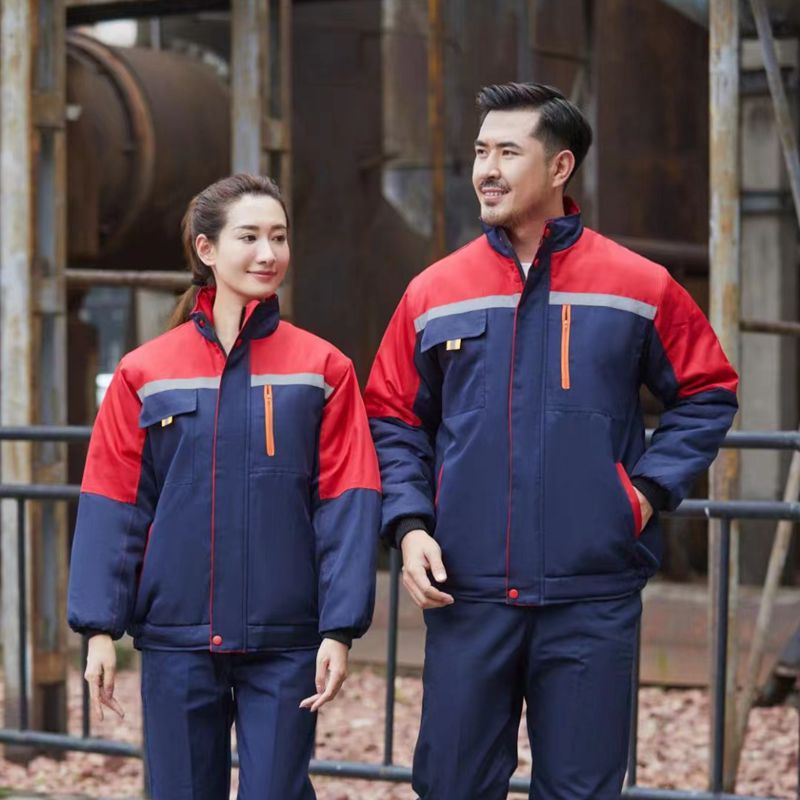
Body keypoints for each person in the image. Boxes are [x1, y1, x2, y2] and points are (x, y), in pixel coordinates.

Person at [365, 82, 738, 800]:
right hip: (467, 592)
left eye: (508, 152)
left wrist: (642, 494)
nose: (487, 169)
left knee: (581, 790)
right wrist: (409, 526)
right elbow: (393, 417)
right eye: (481, 152)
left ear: (561, 167)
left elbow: (707, 390)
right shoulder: (434, 291)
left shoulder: (639, 285)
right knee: (451, 785)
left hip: (590, 593)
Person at [67, 173, 381, 800]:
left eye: (279, 237)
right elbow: (115, 502)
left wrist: (339, 627)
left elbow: (347, 501)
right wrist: (98, 628)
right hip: (177, 638)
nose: (269, 253)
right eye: (250, 237)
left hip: (286, 639)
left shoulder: (324, 369)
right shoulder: (145, 372)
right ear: (206, 249)